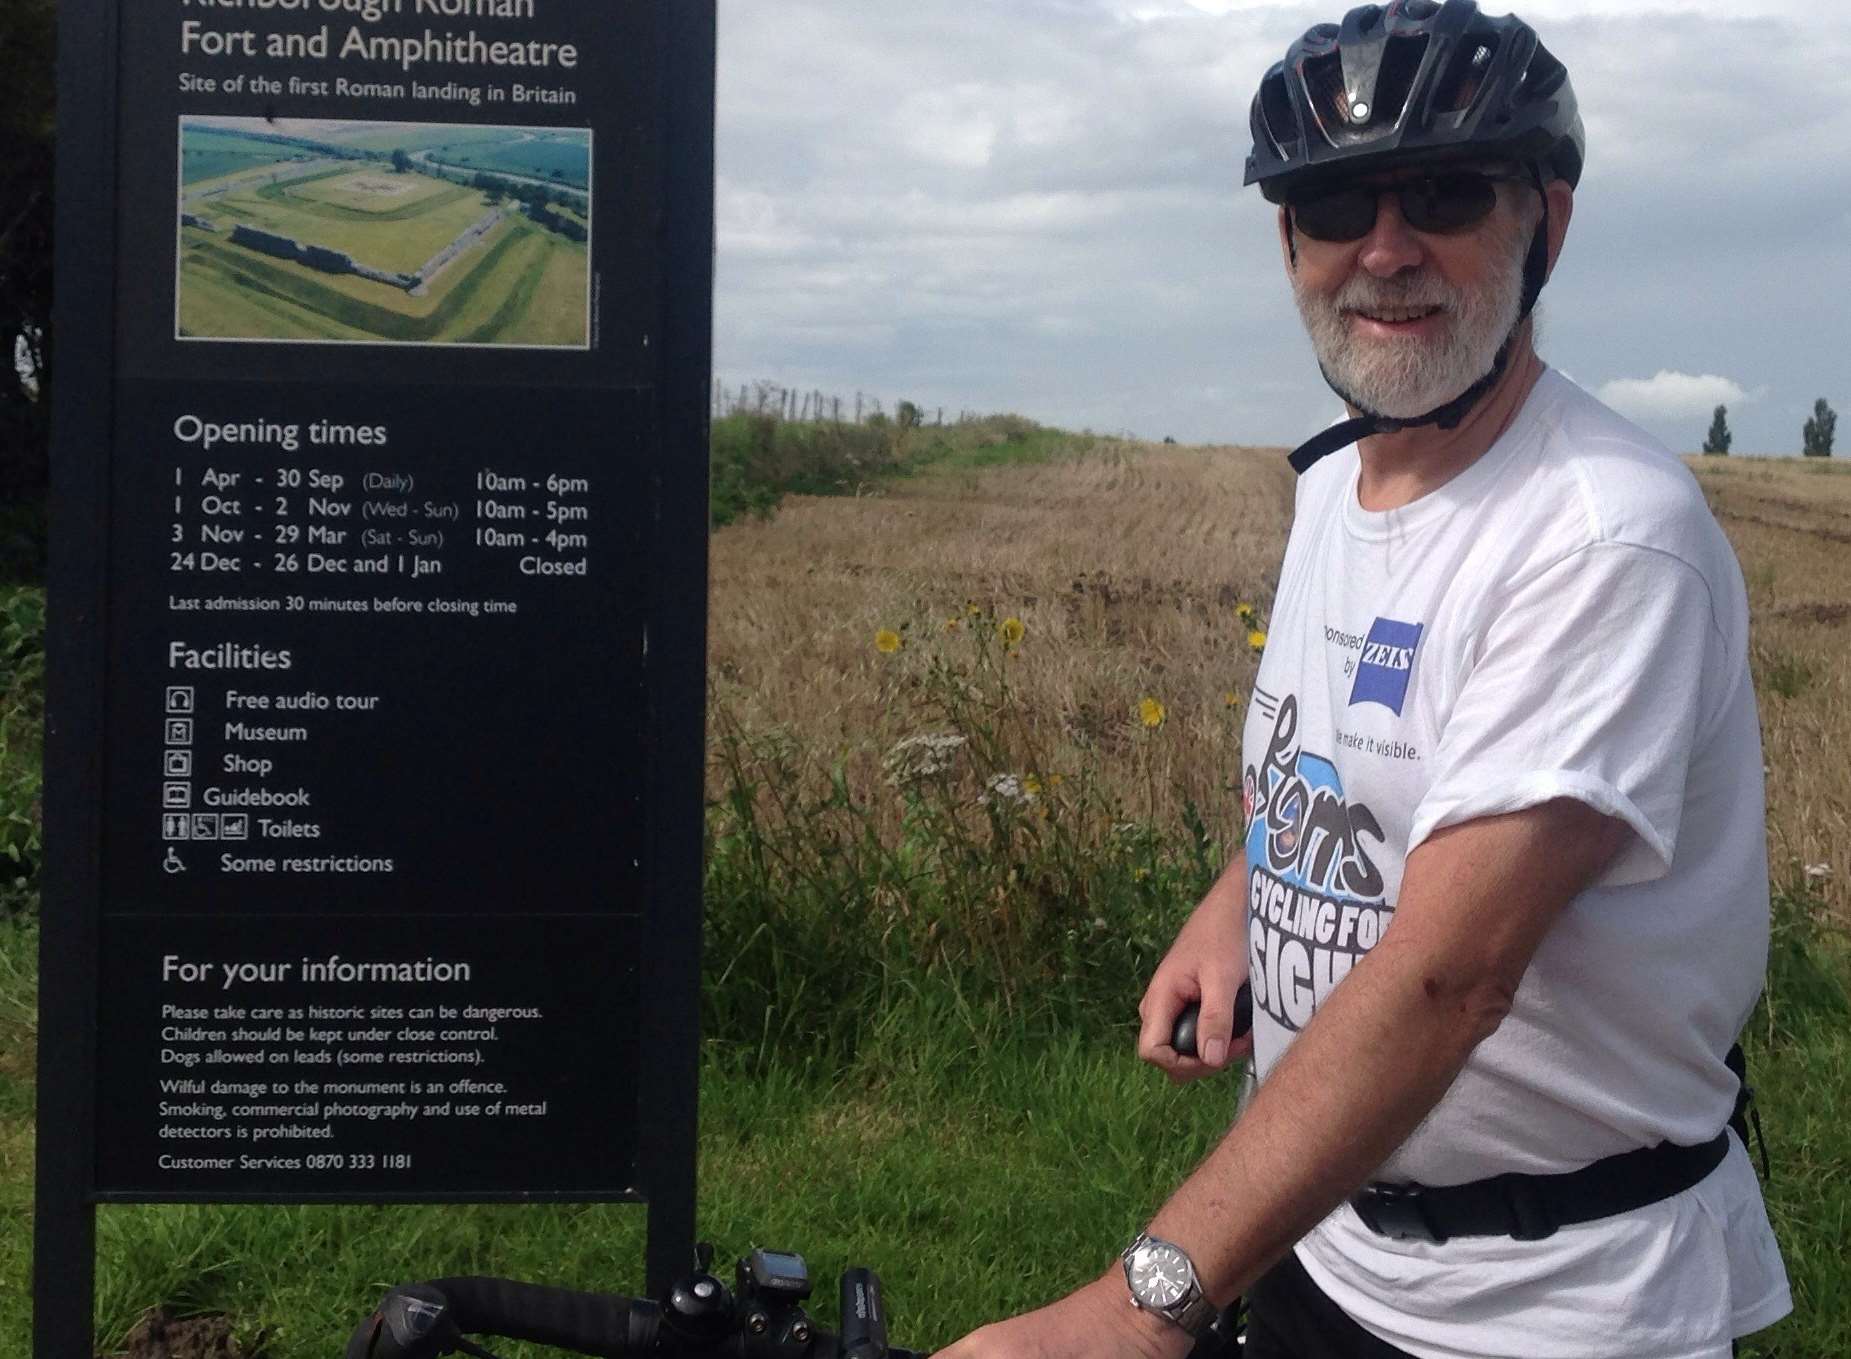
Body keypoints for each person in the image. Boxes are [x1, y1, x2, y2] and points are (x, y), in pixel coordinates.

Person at [937, 2, 1790, 1357]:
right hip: (1318, 1236)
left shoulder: (1602, 539)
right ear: (1290, 243)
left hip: (1545, 1305)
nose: (1385, 251)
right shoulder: (1340, 483)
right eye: (1335, 204)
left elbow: (1453, 976)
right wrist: (1245, 896)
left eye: (1446, 196)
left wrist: (1134, 1310)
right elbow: (1345, 757)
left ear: (1545, 227)